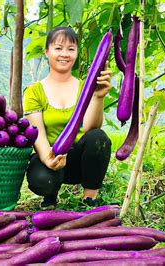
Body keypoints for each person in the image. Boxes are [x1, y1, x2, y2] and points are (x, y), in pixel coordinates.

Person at [23, 26, 113, 209]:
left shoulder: (85, 88)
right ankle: (49, 198)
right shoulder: (34, 91)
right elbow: (37, 133)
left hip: (78, 161)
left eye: (71, 49)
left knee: (99, 138)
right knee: (42, 180)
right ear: (47, 51)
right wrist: (48, 158)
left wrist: (98, 96)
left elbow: (91, 128)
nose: (64, 54)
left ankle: (89, 200)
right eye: (58, 48)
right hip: (49, 156)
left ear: (76, 53)